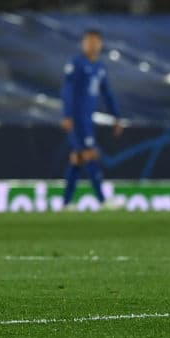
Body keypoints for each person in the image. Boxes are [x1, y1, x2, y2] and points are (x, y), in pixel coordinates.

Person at [60, 29, 123, 210]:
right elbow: (67, 90)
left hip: (88, 119)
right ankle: (103, 200)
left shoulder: (100, 67)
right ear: (83, 44)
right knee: (90, 154)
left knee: (79, 158)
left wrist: (116, 116)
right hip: (77, 119)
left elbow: (107, 93)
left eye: (95, 42)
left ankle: (65, 203)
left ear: (100, 44)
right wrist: (67, 115)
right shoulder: (76, 64)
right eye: (88, 42)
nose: (92, 45)